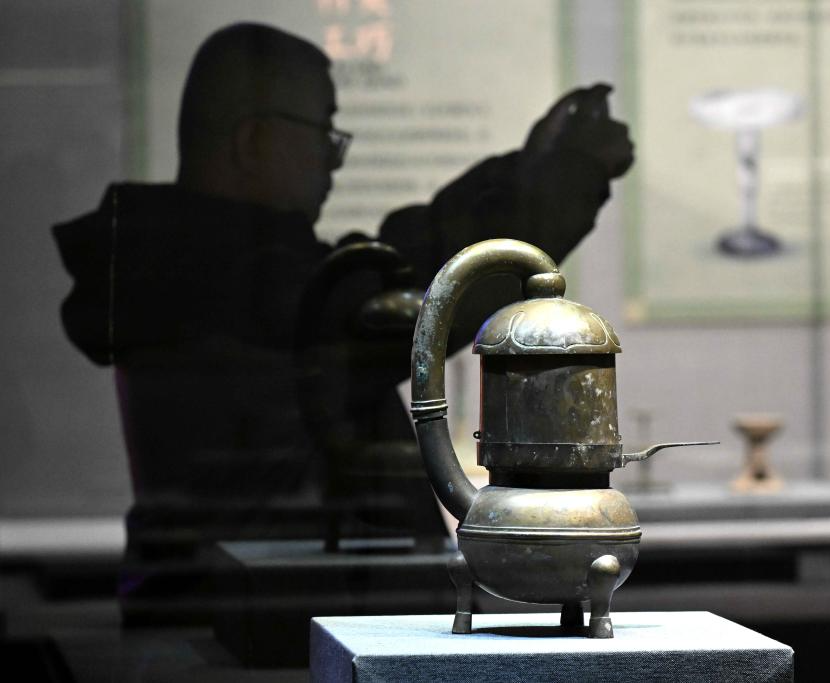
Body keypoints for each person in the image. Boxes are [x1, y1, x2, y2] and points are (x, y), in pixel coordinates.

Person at [52, 22, 633, 615]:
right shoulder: (231, 282)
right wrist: (564, 172)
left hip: (249, 609)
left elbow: (400, 276)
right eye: (325, 136)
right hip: (272, 622)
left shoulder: (186, 270)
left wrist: (540, 169)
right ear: (254, 142)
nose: (333, 162)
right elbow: (415, 294)